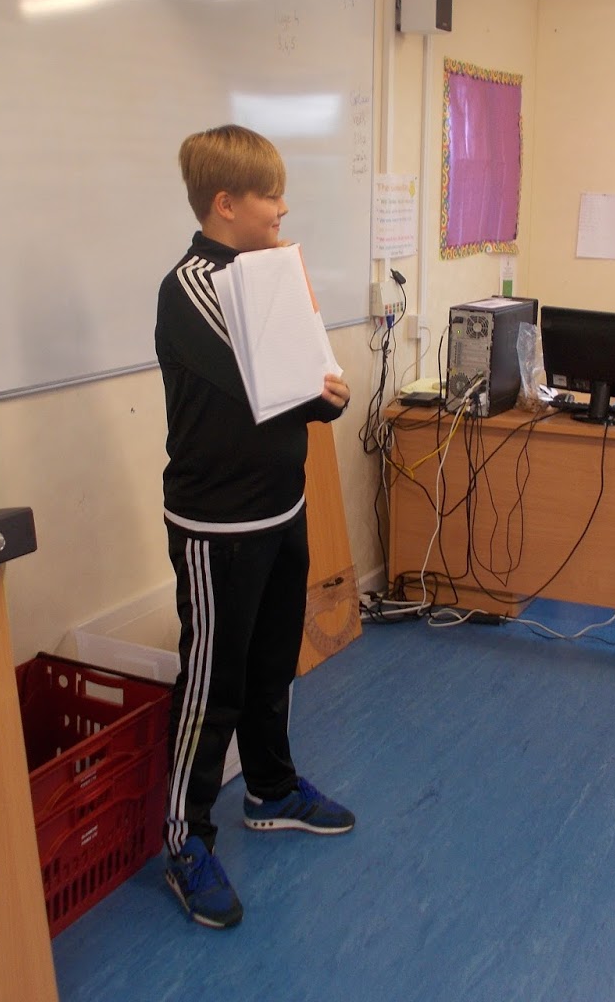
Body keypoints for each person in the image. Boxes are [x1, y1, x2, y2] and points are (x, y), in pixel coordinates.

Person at [155, 124, 354, 929]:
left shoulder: (265, 272)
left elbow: (311, 380)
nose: (282, 208)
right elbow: (280, 380)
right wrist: (320, 390)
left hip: (281, 507)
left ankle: (270, 790)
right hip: (217, 526)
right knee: (214, 685)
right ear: (225, 204)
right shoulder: (192, 287)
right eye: (270, 196)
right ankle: (185, 839)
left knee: (273, 666)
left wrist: (320, 388)